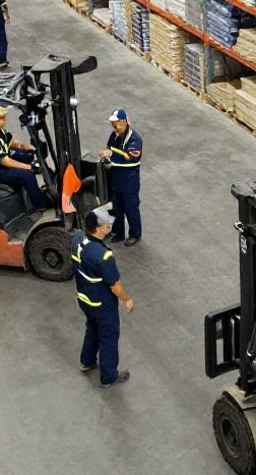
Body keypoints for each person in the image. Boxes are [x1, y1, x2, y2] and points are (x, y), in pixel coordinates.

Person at [72, 208, 135, 388]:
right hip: (102, 305)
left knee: (92, 328)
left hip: (84, 299)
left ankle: (87, 361)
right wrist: (127, 299)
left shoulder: (77, 239)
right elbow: (114, 286)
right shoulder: (103, 256)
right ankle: (108, 376)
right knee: (108, 336)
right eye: (107, 224)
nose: (109, 225)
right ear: (99, 229)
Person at [0, 106, 50, 211]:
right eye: (1, 118)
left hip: (3, 161)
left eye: (4, 117)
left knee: (28, 155)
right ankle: (41, 205)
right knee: (28, 175)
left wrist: (24, 146)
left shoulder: (0, 132)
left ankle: (35, 187)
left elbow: (12, 143)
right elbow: (5, 161)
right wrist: (29, 167)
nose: (5, 120)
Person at [101, 109, 143, 247]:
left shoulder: (135, 139)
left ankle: (135, 234)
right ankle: (118, 233)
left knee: (131, 209)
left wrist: (111, 156)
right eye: (113, 122)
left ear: (124, 121)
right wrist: (105, 157)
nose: (113, 125)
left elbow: (131, 158)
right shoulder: (114, 136)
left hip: (129, 182)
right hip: (116, 180)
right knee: (117, 209)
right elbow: (109, 148)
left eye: (116, 122)